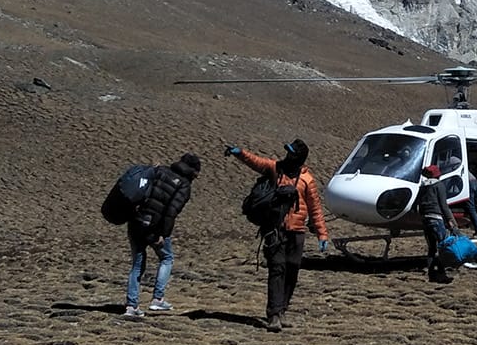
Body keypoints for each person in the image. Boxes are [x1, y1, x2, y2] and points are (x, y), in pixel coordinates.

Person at [225, 139, 330, 332]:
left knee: (292, 270)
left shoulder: (307, 180)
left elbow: (315, 208)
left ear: (299, 157)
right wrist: (240, 153)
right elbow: (256, 162)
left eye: (292, 153)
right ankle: (273, 314)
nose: (288, 156)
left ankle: (282, 310)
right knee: (277, 269)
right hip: (275, 229)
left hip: (297, 231)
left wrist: (322, 234)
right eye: (287, 152)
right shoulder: (275, 168)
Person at [123, 152, 200, 320]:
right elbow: (171, 213)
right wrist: (162, 235)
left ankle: (131, 305)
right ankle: (158, 298)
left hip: (135, 221)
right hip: (154, 227)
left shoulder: (159, 171)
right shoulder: (184, 186)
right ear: (193, 171)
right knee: (167, 258)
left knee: (137, 265)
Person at [417, 163, 459, 283]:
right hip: (436, 218)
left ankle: (431, 274)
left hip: (425, 219)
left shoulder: (423, 187)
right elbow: (443, 205)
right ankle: (441, 274)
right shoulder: (439, 186)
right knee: (442, 247)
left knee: (431, 248)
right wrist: (451, 220)